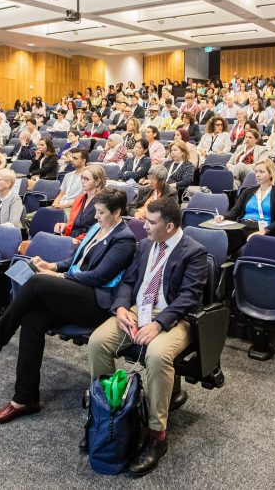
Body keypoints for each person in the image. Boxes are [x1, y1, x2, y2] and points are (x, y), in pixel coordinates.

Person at [0, 188, 136, 424]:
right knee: (32, 319)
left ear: (117, 212)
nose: (95, 216)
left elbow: (99, 276)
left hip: (96, 303)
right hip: (77, 293)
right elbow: (76, 261)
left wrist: (59, 279)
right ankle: (25, 399)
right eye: (96, 211)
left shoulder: (124, 238)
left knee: (38, 282)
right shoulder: (98, 228)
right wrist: (52, 266)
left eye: (101, 213)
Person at [87, 198, 208, 476]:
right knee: (97, 343)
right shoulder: (144, 246)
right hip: (136, 311)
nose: (143, 226)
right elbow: (129, 281)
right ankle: (108, 415)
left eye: (150, 222)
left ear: (169, 226)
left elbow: (189, 297)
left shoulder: (194, 251)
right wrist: (119, 308)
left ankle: (157, 435)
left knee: (157, 354)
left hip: (174, 317)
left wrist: (159, 323)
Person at [213, 159, 275, 257]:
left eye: (261, 172)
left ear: (271, 174)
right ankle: (216, 267)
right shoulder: (248, 191)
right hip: (243, 226)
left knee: (242, 252)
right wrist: (223, 217)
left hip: (265, 229)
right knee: (220, 243)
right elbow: (235, 211)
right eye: (256, 171)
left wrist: (263, 231)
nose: (257, 175)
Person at [54, 164, 106, 243]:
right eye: (82, 178)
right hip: (71, 239)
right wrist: (65, 226)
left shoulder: (103, 203)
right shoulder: (79, 199)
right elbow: (75, 225)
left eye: (86, 179)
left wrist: (78, 240)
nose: (82, 181)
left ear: (97, 182)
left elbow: (101, 230)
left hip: (86, 242)